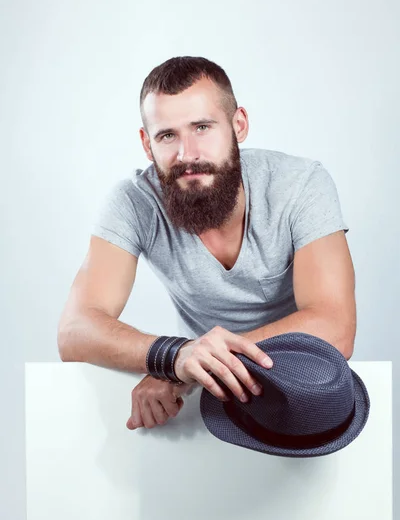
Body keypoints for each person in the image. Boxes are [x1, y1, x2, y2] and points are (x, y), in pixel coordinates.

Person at [57, 56, 356, 432]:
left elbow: (336, 327)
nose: (188, 154)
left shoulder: (301, 185)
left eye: (202, 127)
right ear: (147, 144)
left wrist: (196, 366)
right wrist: (174, 356)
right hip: (205, 407)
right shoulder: (134, 202)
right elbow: (74, 330)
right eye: (167, 135)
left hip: (303, 392)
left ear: (239, 125)